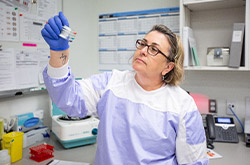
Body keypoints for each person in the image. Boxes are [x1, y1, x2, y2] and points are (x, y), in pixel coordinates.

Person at [41, 11, 209, 165]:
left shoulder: (182, 104)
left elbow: (194, 161)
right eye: (143, 43)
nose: (143, 50)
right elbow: (68, 98)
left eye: (153, 49)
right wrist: (59, 52)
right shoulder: (111, 83)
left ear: (168, 67)